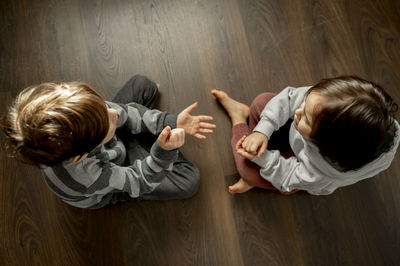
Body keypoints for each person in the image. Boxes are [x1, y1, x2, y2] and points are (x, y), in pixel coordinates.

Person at [2, 75, 216, 208]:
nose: (114, 112)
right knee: (189, 180)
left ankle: (136, 142)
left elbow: (118, 113)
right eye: (107, 122)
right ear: (83, 154)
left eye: (102, 106)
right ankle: (139, 146)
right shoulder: (90, 175)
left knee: (143, 85)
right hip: (111, 179)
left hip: (107, 147)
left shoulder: (82, 117)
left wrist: (172, 121)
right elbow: (140, 180)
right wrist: (163, 152)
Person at [212, 76, 399, 195]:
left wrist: (264, 159)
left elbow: (289, 174)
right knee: (263, 102)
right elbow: (291, 97)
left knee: (247, 169)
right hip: (303, 143)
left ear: (325, 144)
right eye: (307, 101)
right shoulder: (332, 103)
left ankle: (238, 118)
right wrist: (263, 130)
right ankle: (262, 144)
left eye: (307, 119)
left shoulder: (322, 174)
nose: (298, 112)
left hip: (299, 170)